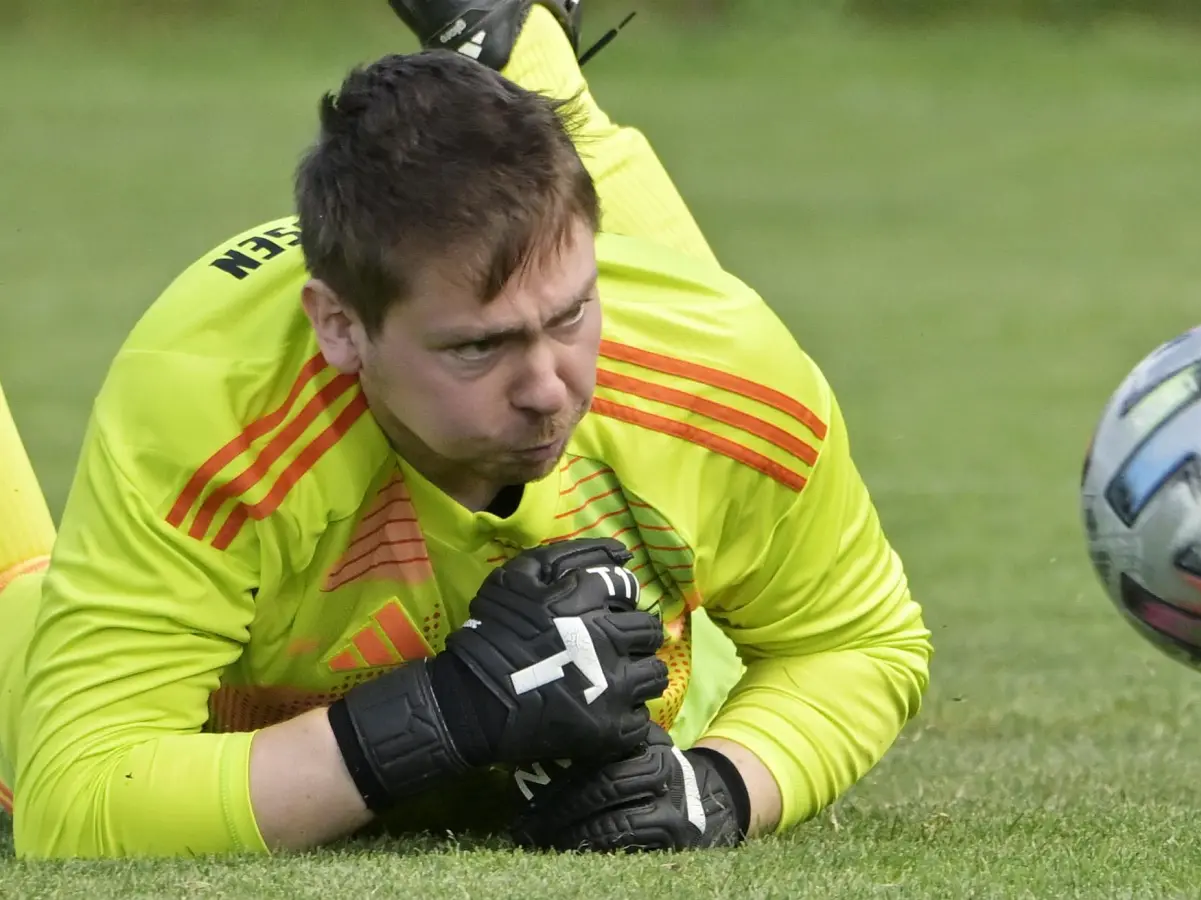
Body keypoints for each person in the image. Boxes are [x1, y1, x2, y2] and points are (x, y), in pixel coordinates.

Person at [0, 0, 932, 858]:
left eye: (572, 317)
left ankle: (524, 62)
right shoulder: (210, 404)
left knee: (694, 658)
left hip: (664, 412)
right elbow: (77, 798)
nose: (546, 389)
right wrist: (442, 714)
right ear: (340, 328)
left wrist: (722, 788)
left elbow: (859, 643)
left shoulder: (721, 370)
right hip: (173, 676)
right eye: (477, 349)